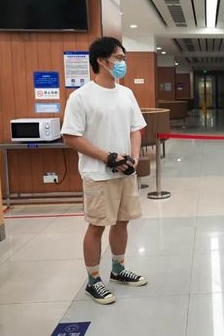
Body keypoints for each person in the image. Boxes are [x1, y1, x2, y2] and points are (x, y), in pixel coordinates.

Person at [62, 36, 148, 305]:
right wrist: (108, 157)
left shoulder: (126, 93)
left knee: (123, 221)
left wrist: (134, 158)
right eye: (119, 58)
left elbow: (136, 128)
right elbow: (71, 136)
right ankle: (93, 280)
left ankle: (118, 269)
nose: (123, 63)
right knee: (97, 226)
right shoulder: (81, 97)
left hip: (125, 172)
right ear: (101, 61)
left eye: (123, 58)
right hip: (97, 174)